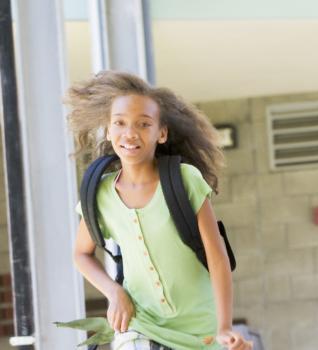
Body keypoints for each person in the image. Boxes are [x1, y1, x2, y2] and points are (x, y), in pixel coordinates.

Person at [68, 71, 251, 349]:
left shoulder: (184, 179)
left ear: (161, 133)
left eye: (144, 124)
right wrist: (114, 292)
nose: (130, 133)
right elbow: (81, 254)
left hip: (200, 328)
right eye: (120, 123)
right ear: (108, 130)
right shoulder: (100, 193)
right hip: (142, 320)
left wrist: (225, 327)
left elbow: (218, 258)